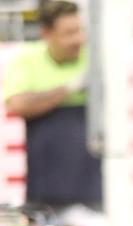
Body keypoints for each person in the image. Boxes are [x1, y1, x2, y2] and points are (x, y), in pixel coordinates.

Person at [2, 1, 101, 211]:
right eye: (69, 33)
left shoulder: (94, 57)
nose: (78, 39)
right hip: (46, 186)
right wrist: (68, 89)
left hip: (94, 186)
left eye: (80, 31)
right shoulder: (28, 60)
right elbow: (17, 104)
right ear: (47, 33)